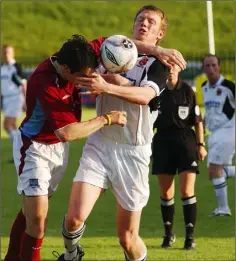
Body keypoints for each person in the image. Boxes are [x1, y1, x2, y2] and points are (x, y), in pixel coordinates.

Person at [55, 5, 185, 261]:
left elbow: (145, 96)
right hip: (100, 144)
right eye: (140, 19)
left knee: (127, 239)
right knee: (73, 219)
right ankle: (71, 255)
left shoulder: (158, 64)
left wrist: (108, 85)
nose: (144, 24)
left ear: (160, 34)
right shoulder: (110, 50)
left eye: (151, 22)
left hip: (133, 153)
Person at [4, 34, 127, 261]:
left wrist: (159, 51)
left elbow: (118, 41)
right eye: (82, 77)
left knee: (30, 214)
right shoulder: (44, 81)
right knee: (38, 221)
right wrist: (106, 119)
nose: (86, 81)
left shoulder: (81, 54)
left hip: (57, 151)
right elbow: (67, 133)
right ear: (64, 67)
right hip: (35, 149)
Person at [151, 64, 207, 250]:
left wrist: (201, 145)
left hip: (185, 141)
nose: (169, 72)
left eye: (172, 68)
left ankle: (190, 237)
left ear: (178, 70)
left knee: (186, 191)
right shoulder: (155, 91)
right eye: (166, 69)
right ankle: (168, 234)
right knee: (166, 193)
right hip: (162, 142)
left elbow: (198, 121)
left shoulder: (188, 91)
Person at [201, 54, 235, 217]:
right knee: (215, 171)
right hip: (214, 133)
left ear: (219, 67)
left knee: (214, 169)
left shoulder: (229, 86)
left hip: (228, 131)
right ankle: (222, 208)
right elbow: (209, 110)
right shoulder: (204, 87)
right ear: (203, 69)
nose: (211, 69)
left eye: (214, 65)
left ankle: (223, 208)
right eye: (207, 66)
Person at [1, 45, 27, 161]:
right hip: (6, 99)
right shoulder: (2, 68)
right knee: (12, 126)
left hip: (16, 98)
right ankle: (21, 151)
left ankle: (20, 152)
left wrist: (26, 100)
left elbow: (23, 84)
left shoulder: (16, 67)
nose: (6, 55)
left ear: (13, 53)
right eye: (5, 53)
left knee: (7, 125)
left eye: (8, 52)